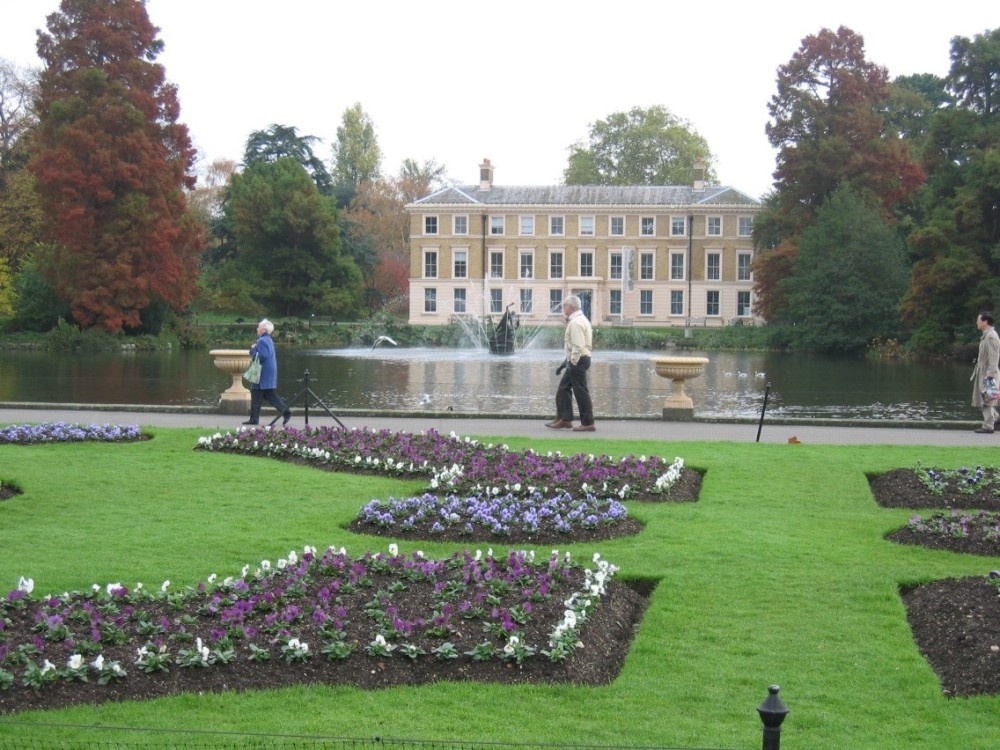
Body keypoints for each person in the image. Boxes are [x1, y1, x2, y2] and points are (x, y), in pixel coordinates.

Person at [546, 295, 595, 432]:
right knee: (564, 389)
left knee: (581, 392)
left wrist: (572, 363)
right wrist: (565, 363)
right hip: (580, 359)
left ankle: (588, 423)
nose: (563, 308)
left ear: (571, 307)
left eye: (564, 305)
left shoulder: (575, 322)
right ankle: (566, 419)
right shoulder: (581, 319)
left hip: (578, 360)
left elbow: (578, 346)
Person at [244, 319, 292, 426]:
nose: (257, 329)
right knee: (267, 394)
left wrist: (253, 350)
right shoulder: (268, 339)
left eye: (259, 327)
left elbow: (262, 356)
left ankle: (255, 419)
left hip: (262, 373)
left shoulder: (262, 341)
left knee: (257, 393)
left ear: (264, 330)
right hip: (268, 372)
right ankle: (284, 412)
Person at [971, 311, 1000, 434]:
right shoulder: (986, 335)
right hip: (983, 372)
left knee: (987, 400)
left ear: (985, 322)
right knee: (985, 398)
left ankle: (988, 426)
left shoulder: (991, 337)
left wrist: (990, 375)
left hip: (988, 373)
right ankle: (996, 418)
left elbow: (994, 358)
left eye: (979, 320)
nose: (977, 322)